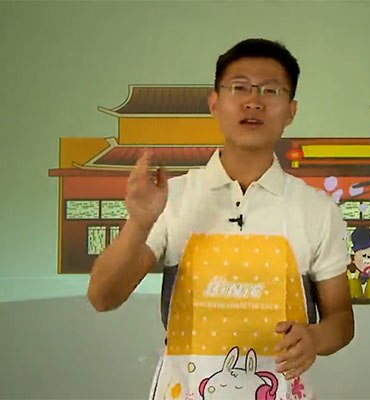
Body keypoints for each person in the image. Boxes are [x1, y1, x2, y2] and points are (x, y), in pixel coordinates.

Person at [87, 38, 354, 400]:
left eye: (271, 90)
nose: (253, 101)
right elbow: (103, 297)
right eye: (239, 87)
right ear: (214, 103)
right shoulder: (174, 197)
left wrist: (315, 338)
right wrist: (139, 223)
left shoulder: (317, 209)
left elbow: (341, 319)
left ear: (291, 111)